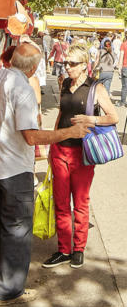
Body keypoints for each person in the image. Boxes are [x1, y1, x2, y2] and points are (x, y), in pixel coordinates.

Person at [0, 42, 89, 306]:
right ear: (32, 68)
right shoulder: (23, 89)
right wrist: (68, 133)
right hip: (12, 169)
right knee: (16, 229)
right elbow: (31, 137)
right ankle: (10, 290)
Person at [43, 43, 117, 268]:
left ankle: (78, 248)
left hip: (82, 153)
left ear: (84, 66)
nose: (67, 67)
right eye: (66, 62)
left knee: (81, 203)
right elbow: (61, 113)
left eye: (72, 64)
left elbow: (113, 117)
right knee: (62, 202)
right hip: (59, 150)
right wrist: (52, 141)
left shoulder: (95, 88)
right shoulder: (64, 82)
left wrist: (92, 120)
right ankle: (64, 249)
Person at [117, 33, 127, 107]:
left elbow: (121, 57)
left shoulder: (124, 44)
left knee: (124, 86)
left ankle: (123, 102)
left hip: (125, 67)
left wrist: (119, 68)